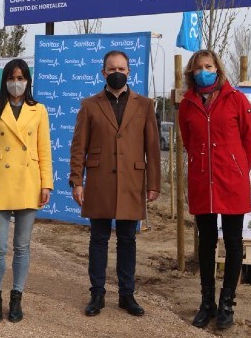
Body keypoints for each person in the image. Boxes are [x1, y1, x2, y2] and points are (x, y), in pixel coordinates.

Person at [69, 50, 161, 317]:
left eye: (122, 68)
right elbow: (78, 147)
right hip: (99, 182)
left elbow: (153, 148)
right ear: (103, 73)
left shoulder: (145, 105)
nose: (117, 73)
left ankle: (126, 295)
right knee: (98, 239)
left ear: (129, 72)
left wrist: (153, 183)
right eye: (112, 69)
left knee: (127, 239)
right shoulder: (89, 105)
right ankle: (97, 294)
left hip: (132, 181)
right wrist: (77, 180)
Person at [178, 49, 251, 330]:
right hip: (202, 181)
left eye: (208, 66)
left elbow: (248, 140)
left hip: (231, 181)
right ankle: (207, 302)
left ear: (218, 69)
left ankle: (227, 304)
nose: (203, 71)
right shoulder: (187, 104)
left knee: (233, 242)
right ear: (191, 72)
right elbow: (188, 141)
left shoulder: (236, 99)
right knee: (207, 242)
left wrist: (237, 170)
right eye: (198, 68)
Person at [0, 58, 53, 323]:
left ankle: (16, 299)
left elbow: (44, 149)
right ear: (5, 80)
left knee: (22, 246)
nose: (16, 83)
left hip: (29, 182)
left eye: (21, 78)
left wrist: (46, 184)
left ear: (28, 81)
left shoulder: (39, 110)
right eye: (12, 77)